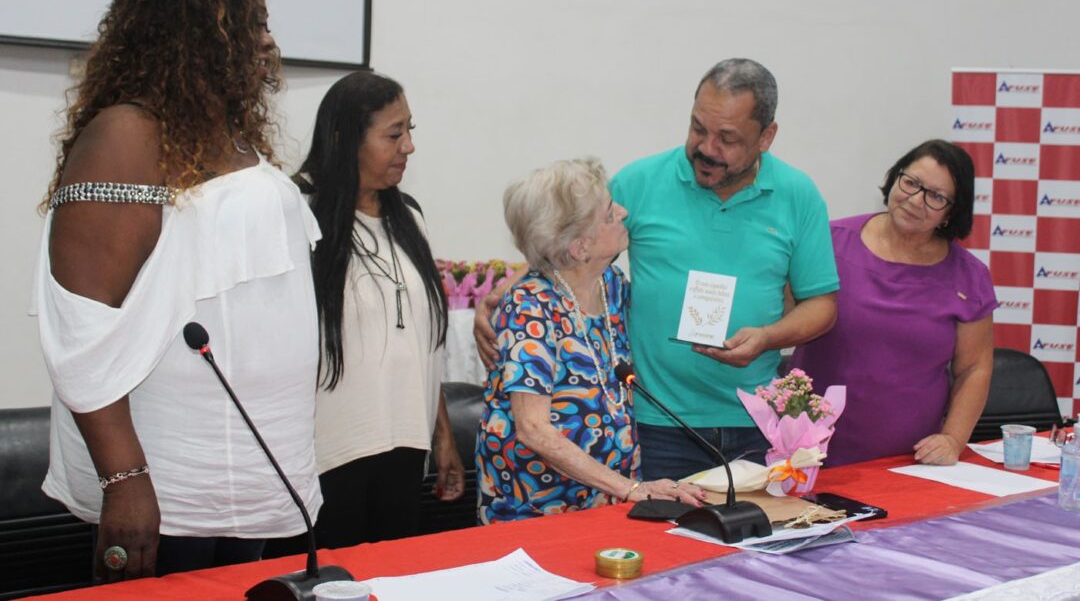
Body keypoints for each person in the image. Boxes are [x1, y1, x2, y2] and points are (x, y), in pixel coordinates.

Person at [32, 0, 321, 581]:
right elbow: (82, 325)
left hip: (247, 475)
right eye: (252, 23)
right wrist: (125, 478)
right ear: (196, 32)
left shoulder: (233, 139)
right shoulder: (127, 133)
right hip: (167, 479)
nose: (267, 41)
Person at [476, 59, 839, 483]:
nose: (706, 147)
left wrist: (767, 339)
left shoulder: (798, 195)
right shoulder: (641, 182)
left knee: (751, 546)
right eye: (698, 127)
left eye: (727, 139)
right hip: (656, 423)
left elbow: (822, 306)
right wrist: (504, 294)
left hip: (757, 423)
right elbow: (569, 242)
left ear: (766, 136)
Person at [477, 158, 707, 524]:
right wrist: (630, 489)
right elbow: (533, 429)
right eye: (609, 214)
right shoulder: (531, 306)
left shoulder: (611, 283)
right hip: (536, 508)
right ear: (580, 248)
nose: (624, 212)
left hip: (609, 502)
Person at [295, 71, 464, 547]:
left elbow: (424, 342)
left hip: (406, 443)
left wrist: (442, 436)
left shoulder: (408, 216)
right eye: (393, 134)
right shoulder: (299, 213)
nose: (408, 146)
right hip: (330, 451)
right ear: (343, 138)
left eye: (410, 130)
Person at [790, 140, 996, 466]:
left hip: (911, 464)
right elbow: (780, 319)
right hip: (808, 455)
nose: (916, 200)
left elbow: (974, 368)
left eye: (936, 196)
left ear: (952, 212)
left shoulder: (969, 276)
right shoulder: (829, 242)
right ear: (894, 179)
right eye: (911, 183)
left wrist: (953, 439)